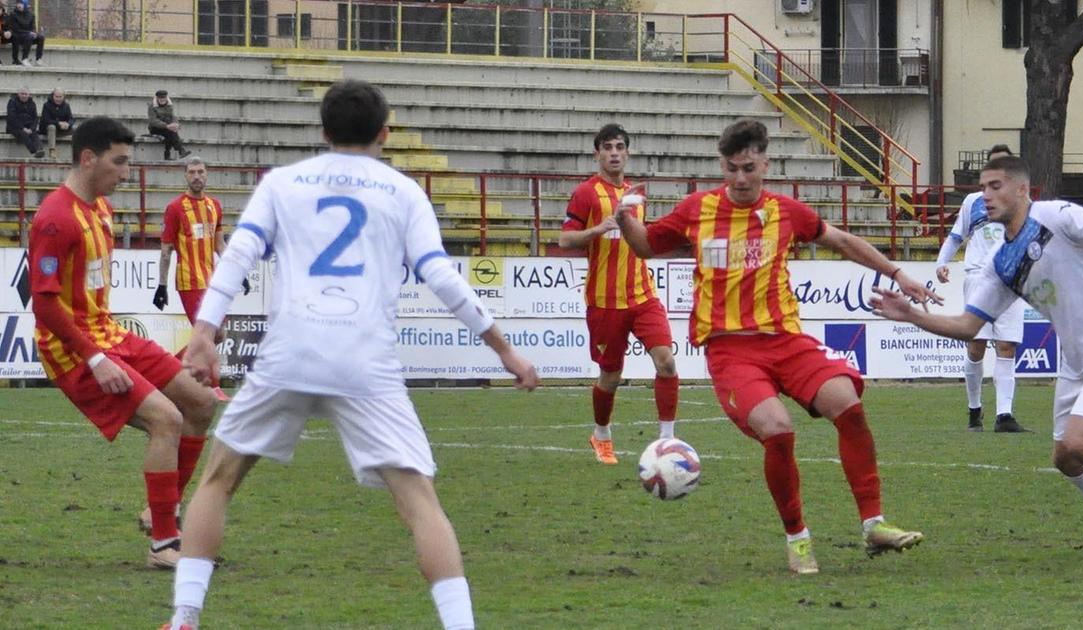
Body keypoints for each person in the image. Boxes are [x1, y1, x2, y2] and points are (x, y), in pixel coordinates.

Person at [163, 80, 539, 630]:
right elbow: (439, 275)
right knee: (419, 503)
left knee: (218, 479)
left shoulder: (283, 183)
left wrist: (204, 332)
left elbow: (239, 253)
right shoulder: (403, 191)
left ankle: (185, 617)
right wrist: (503, 348)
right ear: (385, 132)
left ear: (322, 131)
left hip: (290, 352)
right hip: (366, 362)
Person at [615, 118, 935, 574]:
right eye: (731, 169)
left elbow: (841, 241)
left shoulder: (787, 212)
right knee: (778, 430)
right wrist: (626, 221)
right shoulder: (696, 210)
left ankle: (874, 525)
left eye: (749, 167)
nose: (741, 179)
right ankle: (798, 539)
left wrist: (900, 275)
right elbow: (646, 247)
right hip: (730, 350)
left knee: (848, 405)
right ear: (721, 167)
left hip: (786, 341)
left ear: (766, 161)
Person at [872, 156, 1083, 556]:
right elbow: (968, 326)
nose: (985, 196)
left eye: (995, 186)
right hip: (1075, 362)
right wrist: (910, 315)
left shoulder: (1054, 216)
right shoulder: (1000, 264)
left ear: (1022, 190)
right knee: (1066, 458)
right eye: (982, 188)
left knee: (1079, 444)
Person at [28, 116, 217, 569]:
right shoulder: (55, 218)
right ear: (89, 158)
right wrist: (95, 359)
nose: (126, 173)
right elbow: (45, 304)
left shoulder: (102, 209)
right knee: (166, 420)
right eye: (120, 162)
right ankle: (164, 546)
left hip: (109, 334)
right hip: (71, 350)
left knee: (201, 402)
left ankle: (160, 511)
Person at [558, 123, 678, 465]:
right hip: (605, 302)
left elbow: (641, 240)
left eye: (619, 147)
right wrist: (598, 229)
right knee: (610, 376)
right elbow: (565, 240)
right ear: (597, 153)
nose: (614, 153)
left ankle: (667, 441)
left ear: (627, 153)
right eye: (607, 147)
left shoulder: (636, 195)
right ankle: (601, 434)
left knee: (666, 361)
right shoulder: (586, 193)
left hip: (643, 296)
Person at [935, 144, 1029, 432]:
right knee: (976, 347)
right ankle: (974, 409)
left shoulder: (1021, 202)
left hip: (1012, 280)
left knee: (1007, 346)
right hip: (979, 278)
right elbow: (955, 236)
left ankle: (1004, 416)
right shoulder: (973, 201)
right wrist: (942, 262)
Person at [153, 156, 249, 402]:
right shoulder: (176, 208)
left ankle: (163, 373)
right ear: (185, 176)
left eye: (200, 172)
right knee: (209, 334)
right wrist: (162, 285)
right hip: (189, 282)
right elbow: (166, 249)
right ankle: (212, 386)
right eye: (192, 172)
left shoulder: (214, 206)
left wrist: (237, 271)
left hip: (211, 282)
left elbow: (219, 244)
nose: (196, 176)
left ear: (207, 174)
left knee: (218, 335)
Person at [148, 90, 191, 161]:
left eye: (163, 98)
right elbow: (153, 121)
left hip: (167, 128)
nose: (162, 99)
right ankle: (180, 150)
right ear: (157, 98)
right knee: (170, 131)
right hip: (155, 128)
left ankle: (170, 154)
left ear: (166, 97)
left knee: (170, 131)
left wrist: (176, 124)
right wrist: (167, 126)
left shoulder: (169, 104)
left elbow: (173, 117)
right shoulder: (152, 106)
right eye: (160, 98)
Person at [7, 86, 44, 158]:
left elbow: (35, 118)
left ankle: (40, 150)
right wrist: (23, 128)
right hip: (15, 127)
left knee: (34, 133)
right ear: (18, 94)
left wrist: (32, 128)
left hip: (28, 126)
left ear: (29, 95)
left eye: (25, 94)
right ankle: (34, 150)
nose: (24, 96)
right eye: (22, 94)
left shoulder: (32, 103)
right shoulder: (12, 102)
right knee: (24, 134)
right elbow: (12, 118)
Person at [39, 87, 75, 160]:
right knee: (52, 127)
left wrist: (68, 124)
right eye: (56, 97)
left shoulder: (66, 105)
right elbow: (46, 120)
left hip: (60, 129)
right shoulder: (46, 105)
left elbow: (71, 118)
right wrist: (58, 123)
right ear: (53, 96)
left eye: (60, 97)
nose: (58, 99)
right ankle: (52, 150)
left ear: (63, 96)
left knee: (77, 131)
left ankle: (77, 152)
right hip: (47, 129)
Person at [7, 0, 43, 66]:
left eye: (21, 3)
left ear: (25, 4)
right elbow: (15, 29)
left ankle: (38, 59)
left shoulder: (31, 15)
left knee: (41, 37)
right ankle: (24, 59)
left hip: (28, 35)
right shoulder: (13, 14)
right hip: (18, 35)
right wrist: (29, 33)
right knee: (29, 36)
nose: (19, 5)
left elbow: (33, 27)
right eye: (17, 3)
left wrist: (34, 32)